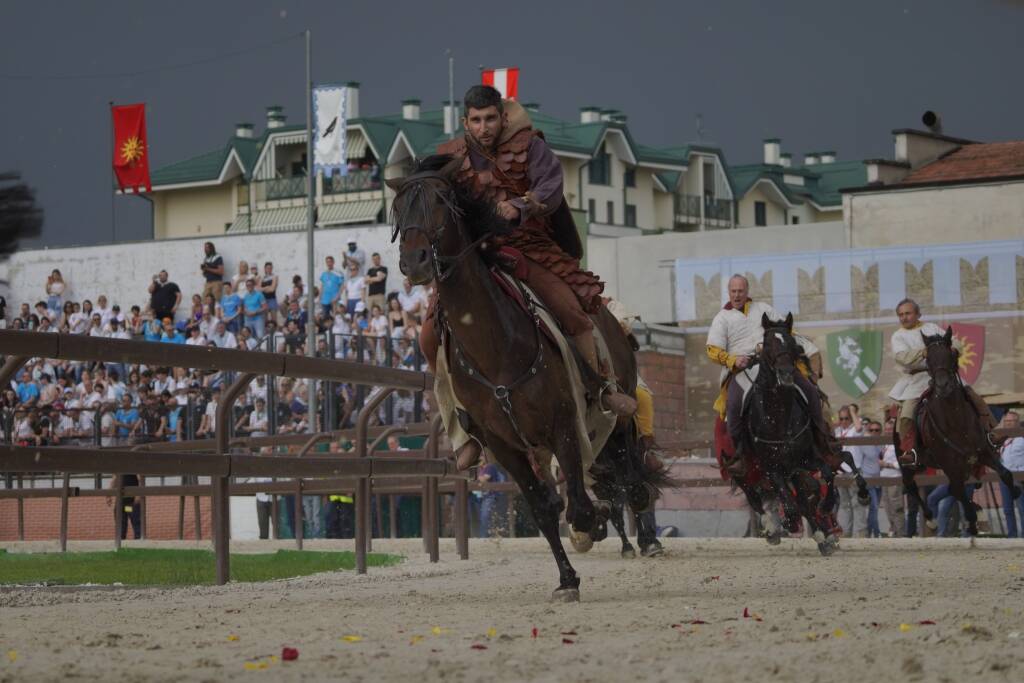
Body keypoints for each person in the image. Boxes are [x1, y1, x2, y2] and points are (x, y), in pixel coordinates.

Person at [706, 273, 831, 477]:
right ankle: (740, 455)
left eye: (741, 291)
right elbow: (712, 350)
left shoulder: (763, 309)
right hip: (743, 369)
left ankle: (822, 439)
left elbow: (784, 330)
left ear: (747, 292)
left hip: (773, 364)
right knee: (734, 406)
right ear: (729, 292)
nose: (737, 295)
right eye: (733, 291)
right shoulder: (722, 318)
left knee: (809, 390)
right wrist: (732, 360)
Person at [888, 298, 997, 466]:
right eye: (901, 315)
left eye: (908, 313)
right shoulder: (898, 336)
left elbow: (953, 341)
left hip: (942, 374)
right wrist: (926, 352)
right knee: (907, 415)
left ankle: (991, 434)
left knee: (973, 396)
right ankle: (910, 451)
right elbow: (902, 357)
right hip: (916, 379)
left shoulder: (930, 327)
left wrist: (953, 348)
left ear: (918, 314)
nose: (904, 317)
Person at [834, 405, 868, 538]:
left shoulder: (854, 429)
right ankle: (844, 532)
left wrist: (853, 411)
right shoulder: (837, 431)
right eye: (841, 418)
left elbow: (859, 427)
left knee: (857, 503)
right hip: (841, 471)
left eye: (846, 418)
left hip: (854, 470)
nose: (843, 421)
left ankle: (859, 533)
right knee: (844, 503)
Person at [997, 411, 1024, 538]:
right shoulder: (1003, 438)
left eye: (1011, 422)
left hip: (1019, 477)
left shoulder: (1021, 438)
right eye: (1006, 422)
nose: (1008, 424)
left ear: (1017, 423)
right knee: (1007, 509)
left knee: (1022, 508)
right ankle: (1011, 536)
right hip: (1004, 478)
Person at [879, 417, 905, 537]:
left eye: (890, 429)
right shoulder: (884, 443)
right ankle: (894, 531)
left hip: (894, 478)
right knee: (888, 508)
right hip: (884, 478)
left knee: (897, 508)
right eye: (887, 429)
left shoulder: (898, 443)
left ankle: (901, 533)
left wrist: (887, 465)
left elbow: (901, 463)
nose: (888, 431)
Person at [860, 419, 884, 537]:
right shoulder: (867, 442)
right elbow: (872, 454)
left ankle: (870, 532)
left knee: (874, 508)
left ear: (880, 432)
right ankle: (876, 532)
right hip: (868, 478)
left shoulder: (881, 442)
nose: (874, 432)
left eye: (877, 430)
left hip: (879, 479)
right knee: (874, 506)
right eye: (872, 430)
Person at [319, 255, 344, 319]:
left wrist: (337, 297)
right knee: (325, 318)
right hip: (325, 299)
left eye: (330, 262)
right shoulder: (324, 274)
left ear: (333, 262)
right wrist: (320, 297)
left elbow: (342, 286)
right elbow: (322, 286)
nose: (329, 263)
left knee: (335, 317)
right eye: (327, 262)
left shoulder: (338, 273)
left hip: (334, 299)